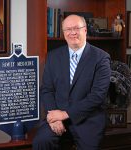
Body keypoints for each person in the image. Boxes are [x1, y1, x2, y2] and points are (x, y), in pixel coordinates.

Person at [32, 14, 111, 150]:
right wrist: (56, 117)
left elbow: (97, 96)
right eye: (68, 29)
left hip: (88, 119)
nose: (72, 32)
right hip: (57, 115)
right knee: (41, 141)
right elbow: (47, 90)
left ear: (85, 30)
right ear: (63, 33)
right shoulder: (53, 56)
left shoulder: (101, 58)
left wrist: (65, 114)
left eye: (76, 28)